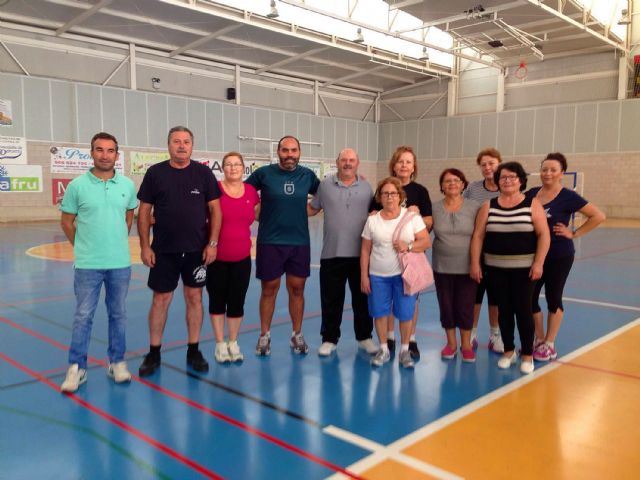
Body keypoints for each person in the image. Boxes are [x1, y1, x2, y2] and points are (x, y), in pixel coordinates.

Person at [137, 126, 222, 376]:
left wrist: (213, 243)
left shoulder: (204, 173)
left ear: (192, 146)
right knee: (160, 299)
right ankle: (153, 353)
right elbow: (143, 212)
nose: (182, 146)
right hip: (163, 251)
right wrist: (144, 245)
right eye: (176, 141)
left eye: (186, 141)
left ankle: (193, 349)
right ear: (168, 145)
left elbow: (216, 210)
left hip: (197, 251)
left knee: (194, 298)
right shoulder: (155, 173)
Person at [59, 132, 137, 392]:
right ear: (91, 153)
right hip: (87, 265)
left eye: (110, 150)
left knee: (119, 315)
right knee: (83, 316)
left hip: (119, 263)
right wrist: (83, 246)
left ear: (117, 154)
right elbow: (67, 222)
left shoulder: (127, 185)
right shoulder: (76, 186)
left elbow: (129, 217)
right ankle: (76, 367)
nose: (105, 155)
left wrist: (114, 242)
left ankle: (117, 362)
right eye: (100, 150)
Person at [470, 162, 549, 375]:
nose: (507, 181)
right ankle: (508, 351)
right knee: (503, 311)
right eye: (503, 177)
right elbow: (478, 235)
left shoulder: (532, 204)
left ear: (521, 180)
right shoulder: (489, 205)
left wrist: (539, 262)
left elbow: (543, 235)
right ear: (498, 181)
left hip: (525, 270)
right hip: (495, 270)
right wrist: (475, 262)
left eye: (512, 177)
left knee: (524, 311)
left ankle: (527, 355)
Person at [245, 136, 320, 356]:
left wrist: (309, 210)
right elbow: (244, 195)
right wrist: (257, 213)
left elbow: (324, 197)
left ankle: (297, 334)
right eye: (285, 150)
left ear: (300, 152)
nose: (290, 154)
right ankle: (264, 335)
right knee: (269, 290)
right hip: (270, 242)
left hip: (299, 243)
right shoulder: (264, 174)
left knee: (297, 289)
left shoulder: (307, 175)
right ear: (278, 152)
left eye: (294, 150)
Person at [527, 153, 605, 361]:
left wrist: (574, 233)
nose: (548, 173)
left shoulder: (569, 196)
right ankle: (539, 338)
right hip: (534, 256)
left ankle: (549, 343)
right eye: (545, 169)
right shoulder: (532, 194)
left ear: (562, 173)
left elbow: (598, 215)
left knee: (554, 298)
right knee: (530, 298)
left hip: (559, 256)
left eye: (553, 170)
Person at [307, 148, 377, 356]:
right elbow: (313, 208)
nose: (348, 163)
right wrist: (285, 210)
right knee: (331, 300)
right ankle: (329, 339)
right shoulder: (325, 186)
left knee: (362, 300)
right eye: (344, 160)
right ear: (337, 162)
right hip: (331, 254)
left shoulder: (366, 187)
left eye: (352, 160)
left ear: (358, 163)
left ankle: (365, 337)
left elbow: (377, 213)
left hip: (361, 256)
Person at [370, 146, 432, 360]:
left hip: (410, 256)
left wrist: (414, 221)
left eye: (408, 162)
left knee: (409, 302)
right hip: (386, 258)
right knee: (385, 301)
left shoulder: (420, 191)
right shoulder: (383, 189)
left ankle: (410, 339)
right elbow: (373, 214)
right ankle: (388, 337)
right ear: (393, 165)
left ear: (413, 166)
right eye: (400, 161)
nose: (404, 165)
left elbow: (429, 222)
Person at [206, 152, 260, 363]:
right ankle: (220, 344)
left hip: (242, 257)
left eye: (237, 164)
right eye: (228, 164)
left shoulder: (251, 192)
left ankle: (233, 342)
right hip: (216, 257)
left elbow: (259, 215)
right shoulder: (214, 190)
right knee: (217, 301)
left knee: (237, 302)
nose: (233, 168)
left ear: (243, 167)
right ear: (222, 168)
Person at [432, 168, 480, 362]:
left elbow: (481, 235)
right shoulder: (434, 207)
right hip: (441, 267)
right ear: (442, 186)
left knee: (465, 307)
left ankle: (466, 344)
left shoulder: (475, 207)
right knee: (446, 306)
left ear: (462, 184)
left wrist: (477, 263)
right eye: (447, 181)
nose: (452, 183)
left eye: (456, 180)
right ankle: (451, 344)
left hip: (468, 267)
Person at [464, 147, 503, 353]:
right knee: (475, 293)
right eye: (484, 164)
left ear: (499, 164)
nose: (488, 167)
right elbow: (462, 208)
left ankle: (495, 334)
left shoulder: (508, 186)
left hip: (499, 250)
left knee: (495, 295)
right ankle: (471, 332)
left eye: (492, 163)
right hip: (476, 247)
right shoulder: (472, 188)